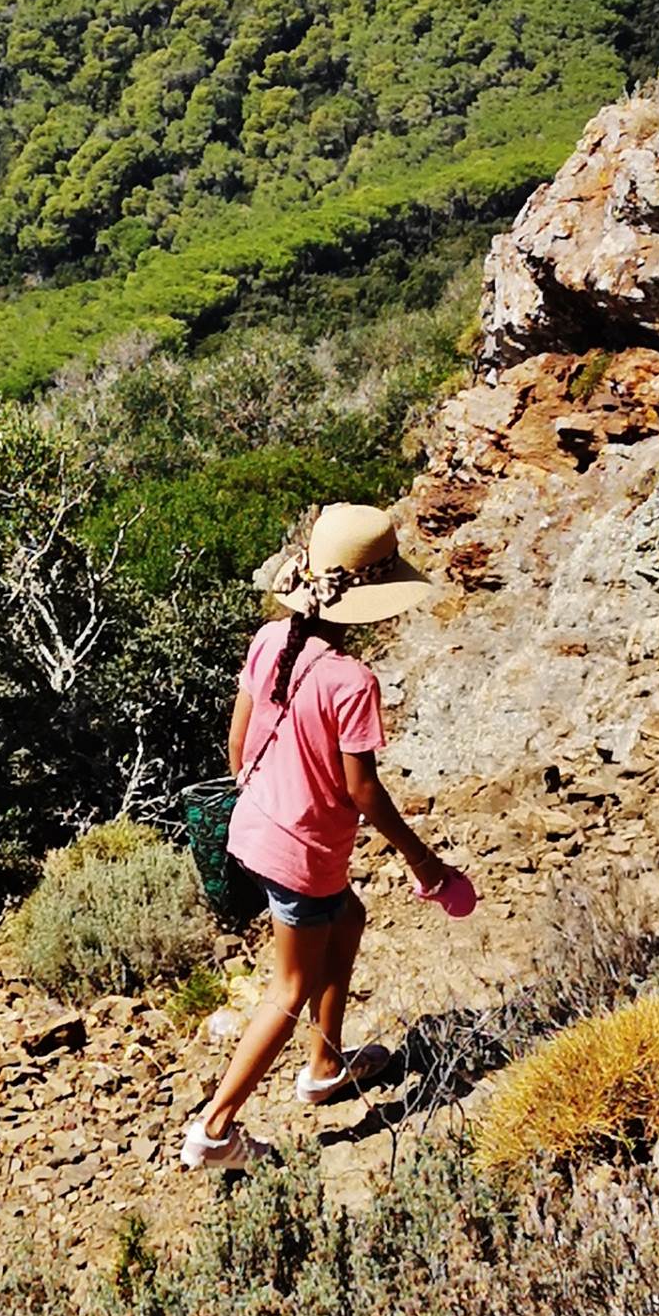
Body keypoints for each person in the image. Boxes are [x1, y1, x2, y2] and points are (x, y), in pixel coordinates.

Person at [182, 502, 477, 1172]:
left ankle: (324, 1064)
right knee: (287, 990)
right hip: (304, 854)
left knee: (348, 917)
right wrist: (425, 863)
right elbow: (362, 792)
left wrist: (269, 802)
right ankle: (214, 1129)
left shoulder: (268, 642)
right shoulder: (352, 681)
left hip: (252, 826)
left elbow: (237, 744)